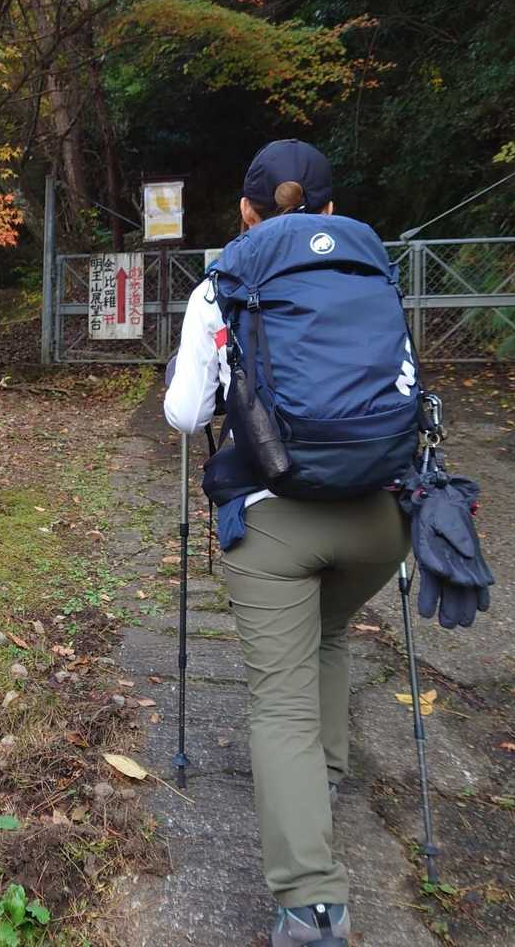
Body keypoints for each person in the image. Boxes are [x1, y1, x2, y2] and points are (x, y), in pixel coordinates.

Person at [163, 139, 410, 947]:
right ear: (331, 209)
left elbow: (185, 415)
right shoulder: (370, 271)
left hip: (274, 523)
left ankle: (311, 906)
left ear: (245, 211)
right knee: (329, 631)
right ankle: (322, 780)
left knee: (279, 700)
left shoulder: (222, 284)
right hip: (379, 520)